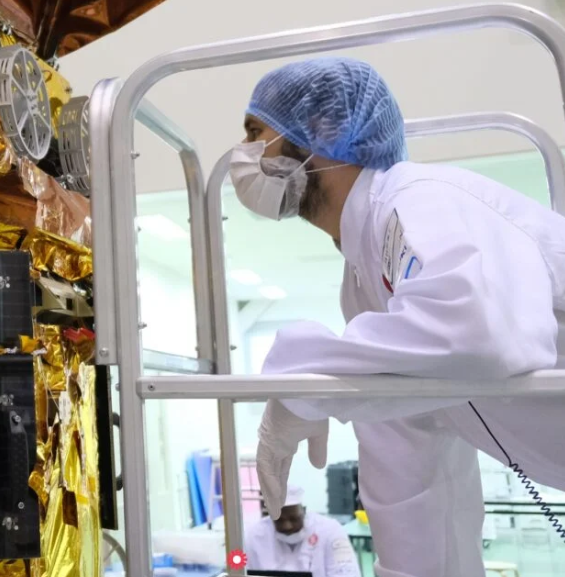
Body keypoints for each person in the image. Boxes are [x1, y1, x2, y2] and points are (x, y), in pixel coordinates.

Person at [231, 57, 565, 577]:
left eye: (256, 134)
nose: (244, 157)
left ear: (319, 131)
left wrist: (305, 381)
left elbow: (475, 335)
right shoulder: (363, 274)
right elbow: (410, 466)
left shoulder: (418, 199)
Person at [245, 486, 359, 577]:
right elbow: (237, 569)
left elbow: (347, 572)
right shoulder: (253, 535)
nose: (287, 526)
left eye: (293, 518)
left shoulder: (330, 531)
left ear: (303, 511)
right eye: (279, 520)